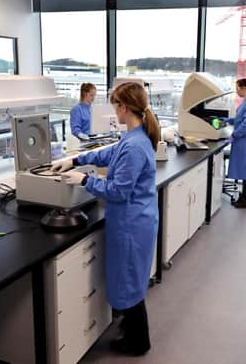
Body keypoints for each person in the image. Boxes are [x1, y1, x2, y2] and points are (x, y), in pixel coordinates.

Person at [52, 82, 159, 356]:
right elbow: (107, 153)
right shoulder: (133, 137)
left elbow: (118, 191)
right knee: (131, 280)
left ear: (123, 107)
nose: (115, 112)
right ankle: (132, 332)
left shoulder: (135, 145)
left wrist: (85, 179)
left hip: (131, 224)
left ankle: (137, 343)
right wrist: (75, 160)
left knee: (129, 283)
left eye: (115, 106)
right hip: (136, 219)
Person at [223, 78, 246, 209]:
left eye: (237, 88)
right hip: (243, 142)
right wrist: (228, 120)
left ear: (244, 88)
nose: (236, 91)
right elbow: (240, 120)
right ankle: (244, 197)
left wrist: (234, 135)